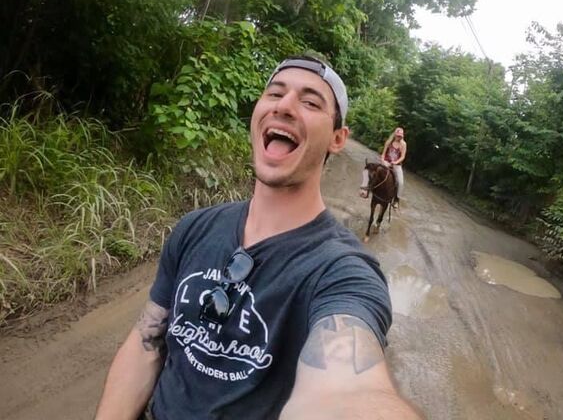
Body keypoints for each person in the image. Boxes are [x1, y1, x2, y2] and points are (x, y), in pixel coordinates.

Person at [95, 56, 421, 420]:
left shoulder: (342, 272)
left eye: (311, 102)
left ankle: (395, 196)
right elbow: (146, 344)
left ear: (337, 138)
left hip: (396, 167)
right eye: (275, 93)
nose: (284, 105)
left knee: (395, 177)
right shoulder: (194, 227)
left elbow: (351, 391)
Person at [381, 127, 407, 209]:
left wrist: (395, 162)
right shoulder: (389, 142)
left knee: (400, 182)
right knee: (376, 173)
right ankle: (370, 189)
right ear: (395, 134)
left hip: (396, 165)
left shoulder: (403, 144)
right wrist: (383, 161)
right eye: (398, 135)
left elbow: (403, 157)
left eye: (400, 136)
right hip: (386, 162)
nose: (399, 137)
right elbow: (383, 154)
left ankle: (396, 199)